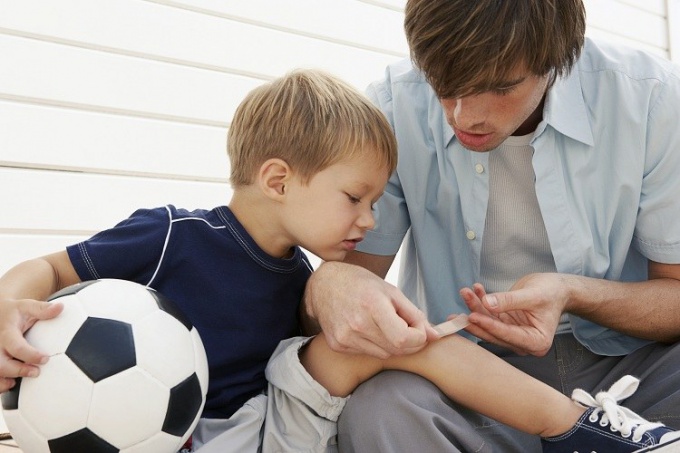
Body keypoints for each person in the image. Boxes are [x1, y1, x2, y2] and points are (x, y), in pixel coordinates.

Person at [0, 69, 677, 453]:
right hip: (135, 433)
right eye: (356, 197)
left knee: (397, 339)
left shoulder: (302, 279)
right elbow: (50, 269)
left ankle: (585, 431)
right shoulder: (173, 233)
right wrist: (7, 301)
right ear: (277, 179)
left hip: (262, 436)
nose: (371, 220)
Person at [302, 0, 680, 452]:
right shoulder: (391, 106)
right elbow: (352, 281)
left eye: (499, 87)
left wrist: (572, 293)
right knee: (380, 410)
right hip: (469, 380)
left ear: (560, 56)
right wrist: (330, 283)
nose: (462, 116)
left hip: (631, 366)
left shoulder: (652, 99)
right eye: (443, 85)